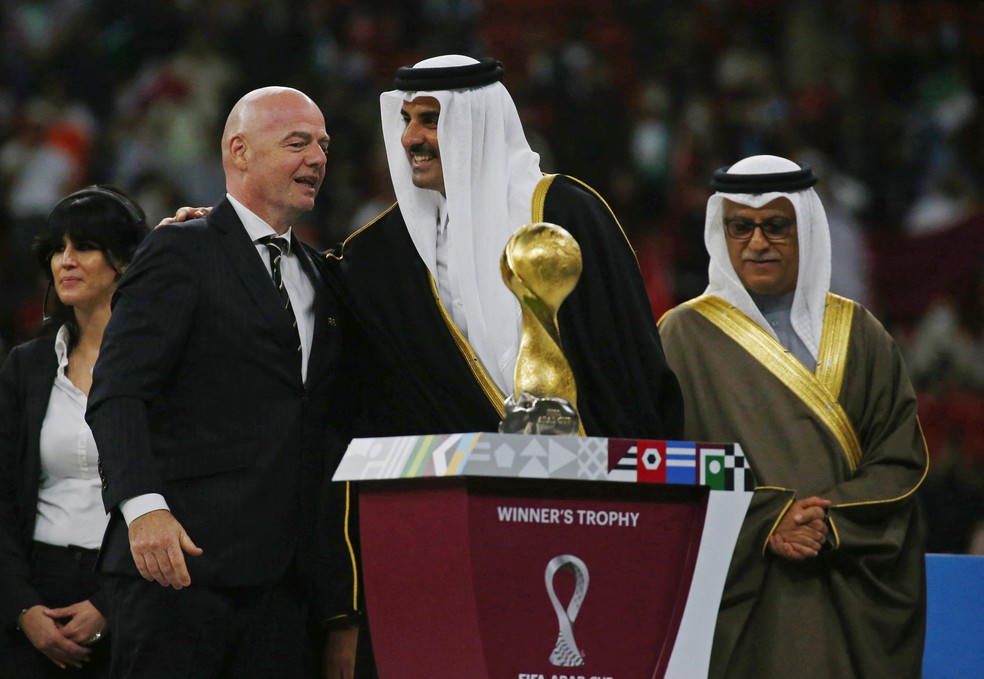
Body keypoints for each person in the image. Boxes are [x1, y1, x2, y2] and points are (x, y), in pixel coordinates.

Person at [85, 87, 361, 678]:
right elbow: (119, 391)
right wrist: (142, 509)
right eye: (297, 143)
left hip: (285, 590)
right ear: (239, 151)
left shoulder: (323, 275)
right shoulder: (179, 250)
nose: (317, 158)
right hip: (180, 572)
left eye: (323, 144)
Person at [658, 155, 928, 678]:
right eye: (741, 227)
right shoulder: (681, 338)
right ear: (722, 231)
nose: (757, 243)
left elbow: (900, 461)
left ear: (805, 228)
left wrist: (828, 519)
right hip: (738, 594)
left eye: (776, 226)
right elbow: (663, 471)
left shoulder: (863, 334)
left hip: (842, 584)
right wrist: (764, 519)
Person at [324, 54, 683, 439]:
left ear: (476, 124)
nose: (411, 138)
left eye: (430, 119)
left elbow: (626, 363)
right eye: (406, 119)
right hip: (467, 486)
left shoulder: (565, 213)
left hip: (591, 480)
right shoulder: (388, 250)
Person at [0, 185, 150, 677]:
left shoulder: (160, 366)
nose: (65, 261)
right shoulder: (27, 366)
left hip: (132, 590)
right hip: (35, 587)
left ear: (124, 261)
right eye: (57, 250)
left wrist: (109, 603)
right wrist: (22, 609)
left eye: (83, 247)